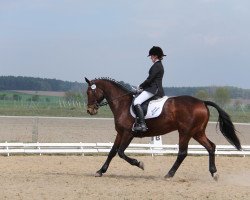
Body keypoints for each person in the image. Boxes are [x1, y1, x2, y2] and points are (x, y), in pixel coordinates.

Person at [133, 46, 166, 132]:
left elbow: (150, 79)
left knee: (136, 102)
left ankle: (142, 124)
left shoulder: (157, 65)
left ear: (155, 56)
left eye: (151, 56)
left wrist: (140, 86)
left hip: (154, 89)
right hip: (153, 88)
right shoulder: (158, 65)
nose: (150, 58)